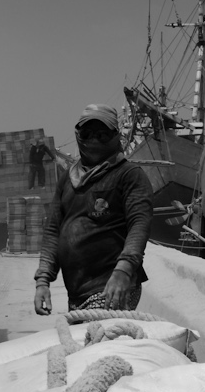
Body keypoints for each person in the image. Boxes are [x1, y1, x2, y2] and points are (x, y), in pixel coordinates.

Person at [33, 104, 153, 313]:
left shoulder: (128, 175)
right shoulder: (67, 181)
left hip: (111, 286)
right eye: (88, 134)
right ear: (79, 136)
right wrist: (43, 279)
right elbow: (53, 230)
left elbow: (139, 224)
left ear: (115, 136)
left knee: (98, 340)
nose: (94, 140)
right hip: (77, 293)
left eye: (102, 134)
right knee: (87, 343)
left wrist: (124, 269)